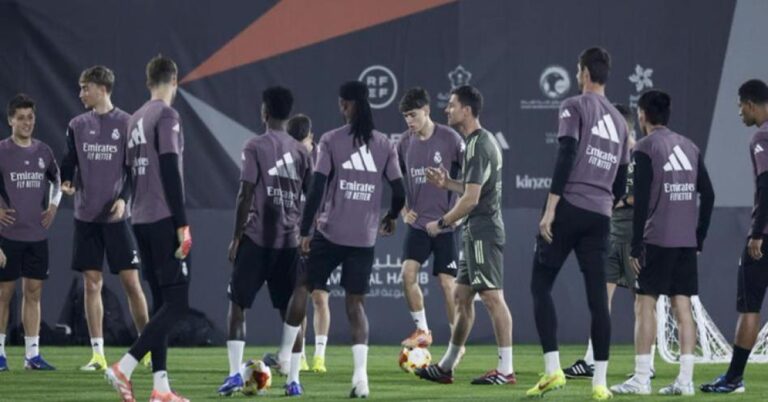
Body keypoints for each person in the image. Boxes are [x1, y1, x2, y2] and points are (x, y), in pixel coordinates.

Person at [275, 80, 405, 397]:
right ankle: (361, 379)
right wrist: (390, 217)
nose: (340, 108)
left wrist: (305, 231)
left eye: (341, 104)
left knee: (302, 288)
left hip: (330, 233)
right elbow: (400, 191)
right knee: (355, 306)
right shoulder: (385, 144)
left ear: (347, 105)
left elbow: (317, 187)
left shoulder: (331, 140)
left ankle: (291, 371)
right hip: (363, 237)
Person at [526, 47, 630, 401]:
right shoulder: (620, 121)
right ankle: (600, 383)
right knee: (598, 300)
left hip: (568, 205)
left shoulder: (574, 105)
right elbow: (621, 180)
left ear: (584, 73)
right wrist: (603, 201)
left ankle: (553, 370)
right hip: (600, 216)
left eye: (577, 69)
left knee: (540, 284)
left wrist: (551, 208)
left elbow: (567, 153)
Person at [611, 90, 714, 396]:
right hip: (684, 242)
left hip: (656, 239)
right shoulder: (690, 146)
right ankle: (685, 381)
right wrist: (700, 235)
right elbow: (708, 195)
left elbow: (641, 199)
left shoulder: (645, 147)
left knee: (644, 305)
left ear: (642, 115)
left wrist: (637, 243)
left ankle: (641, 379)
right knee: (683, 307)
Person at [105, 55, 192, 402]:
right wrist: (182, 223)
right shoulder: (167, 115)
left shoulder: (135, 117)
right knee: (178, 303)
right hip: (162, 218)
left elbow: (129, 173)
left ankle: (161, 388)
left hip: (139, 217)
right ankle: (124, 367)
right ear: (175, 81)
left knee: (160, 305)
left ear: (147, 81)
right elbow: (170, 167)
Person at [415, 85, 514, 385]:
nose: (447, 110)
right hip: (475, 231)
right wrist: (448, 184)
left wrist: (441, 223)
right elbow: (473, 190)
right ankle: (446, 366)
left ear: (467, 111)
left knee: (492, 297)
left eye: (452, 105)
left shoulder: (477, 144)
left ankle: (506, 370)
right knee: (461, 297)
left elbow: (472, 200)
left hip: (483, 230)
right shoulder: (477, 142)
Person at [216, 87, 312, 396]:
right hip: (289, 243)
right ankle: (294, 380)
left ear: (264, 112)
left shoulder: (255, 145)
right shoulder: (302, 152)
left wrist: (235, 237)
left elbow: (245, 193)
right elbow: (312, 198)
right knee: (290, 316)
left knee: (238, 305)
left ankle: (233, 374)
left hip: (256, 240)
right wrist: (304, 232)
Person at [60, 65, 150, 371]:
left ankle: (146, 348)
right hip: (85, 217)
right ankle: (97, 355)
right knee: (91, 283)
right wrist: (67, 181)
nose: (81, 93)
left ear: (102, 88)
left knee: (131, 283)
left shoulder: (127, 123)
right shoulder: (76, 124)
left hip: (116, 218)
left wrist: (124, 199)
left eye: (85, 87)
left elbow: (133, 169)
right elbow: (69, 159)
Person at [564, 104, 657, 379]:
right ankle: (591, 359)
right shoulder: (607, 154)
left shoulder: (642, 153)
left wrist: (623, 200)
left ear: (623, 126)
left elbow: (652, 195)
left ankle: (647, 364)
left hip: (636, 237)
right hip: (610, 235)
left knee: (642, 302)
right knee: (600, 299)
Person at [701, 79, 768, 394]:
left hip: (764, 238)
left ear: (752, 104)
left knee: (750, 307)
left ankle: (733, 378)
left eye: (740, 106)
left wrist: (757, 233)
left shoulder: (762, 137)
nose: (740, 112)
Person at [396, 87, 464, 349]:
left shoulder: (451, 138)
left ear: (426, 111)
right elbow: (395, 180)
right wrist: (403, 210)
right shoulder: (403, 142)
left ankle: (455, 344)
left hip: (446, 225)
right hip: (418, 224)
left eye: (412, 115)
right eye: (405, 117)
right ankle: (423, 330)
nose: (409, 121)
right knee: (407, 274)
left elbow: (470, 177)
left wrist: (457, 210)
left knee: (447, 284)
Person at [0, 93, 61, 371]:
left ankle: (32, 356)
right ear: (11, 120)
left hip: (36, 236)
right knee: (4, 295)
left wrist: (53, 206)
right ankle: (0, 354)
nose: (27, 122)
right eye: (21, 118)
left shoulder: (44, 152)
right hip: (7, 235)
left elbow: (58, 180)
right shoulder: (1, 151)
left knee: (33, 294)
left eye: (31, 118)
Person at [287, 114, 331, 374]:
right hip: (293, 239)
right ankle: (300, 354)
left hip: (319, 237)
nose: (310, 145)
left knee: (320, 297)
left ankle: (320, 357)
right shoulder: (286, 164)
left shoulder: (321, 162)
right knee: (298, 298)